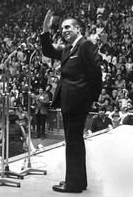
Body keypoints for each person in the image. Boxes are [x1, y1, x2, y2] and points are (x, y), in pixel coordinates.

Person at [40, 10, 102, 193]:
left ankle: (73, 184)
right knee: (74, 142)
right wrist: (45, 30)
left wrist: (92, 100)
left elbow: (95, 75)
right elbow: (48, 50)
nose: (64, 30)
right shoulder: (69, 48)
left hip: (78, 102)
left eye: (68, 27)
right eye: (62, 28)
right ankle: (78, 182)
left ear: (78, 28)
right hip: (68, 102)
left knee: (73, 143)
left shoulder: (85, 45)